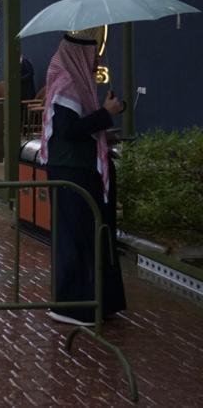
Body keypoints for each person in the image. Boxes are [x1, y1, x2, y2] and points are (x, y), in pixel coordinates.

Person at [39, 30, 126, 326]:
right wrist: (105, 113)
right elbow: (69, 130)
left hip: (81, 171)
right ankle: (74, 306)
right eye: (93, 55)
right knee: (76, 238)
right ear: (78, 55)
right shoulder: (67, 85)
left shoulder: (76, 85)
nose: (96, 60)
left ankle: (100, 301)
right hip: (71, 173)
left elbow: (79, 128)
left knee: (91, 238)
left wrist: (104, 118)